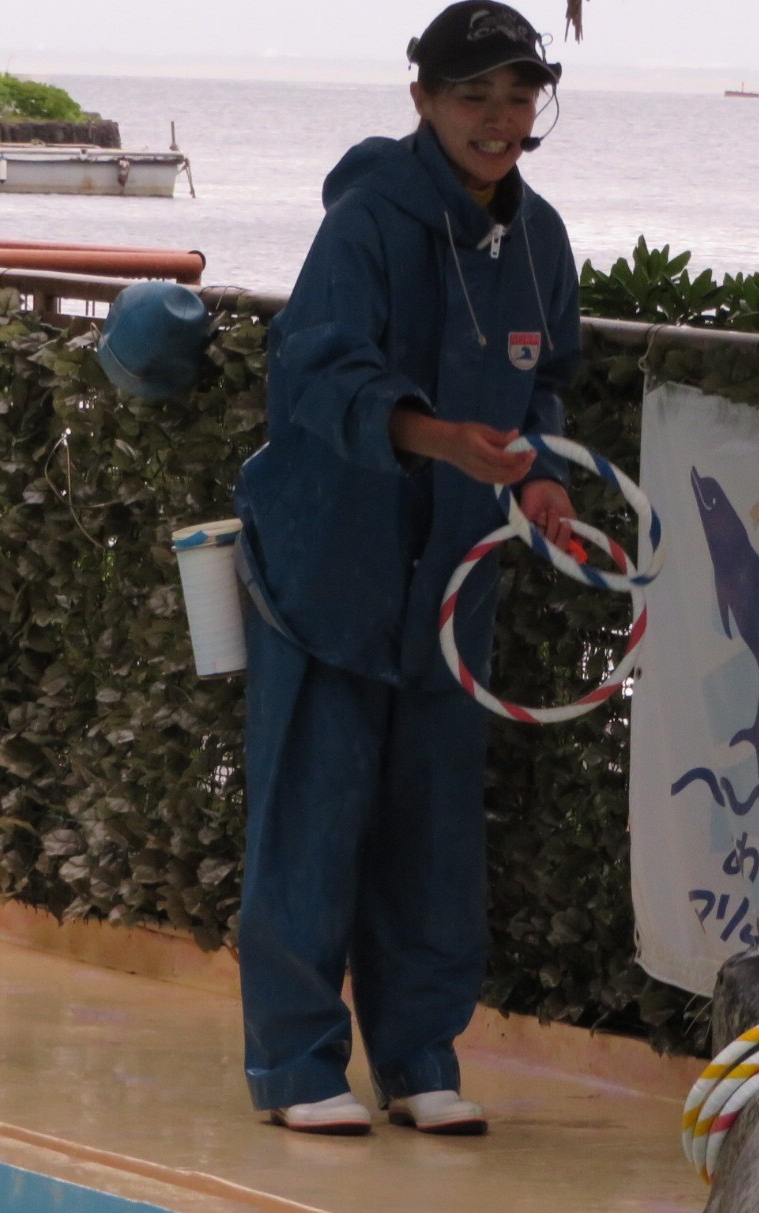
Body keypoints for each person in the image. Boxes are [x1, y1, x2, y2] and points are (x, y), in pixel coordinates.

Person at [230, 3, 580, 1136]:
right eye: (473, 96)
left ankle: (421, 1054)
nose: (497, 120)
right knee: (314, 812)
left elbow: (543, 390)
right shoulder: (368, 223)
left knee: (432, 825)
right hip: (328, 569)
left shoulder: (538, 238)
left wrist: (541, 479)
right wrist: (438, 438)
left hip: (449, 579)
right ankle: (294, 1065)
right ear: (422, 99)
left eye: (518, 98)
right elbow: (316, 377)